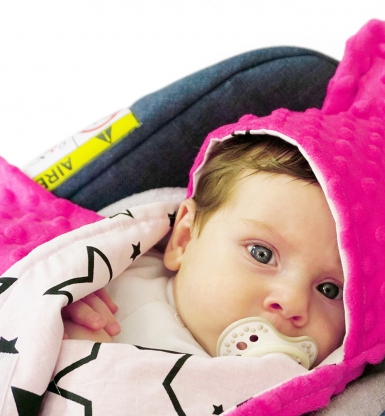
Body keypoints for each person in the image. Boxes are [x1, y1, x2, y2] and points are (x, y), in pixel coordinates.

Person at [62, 134, 346, 367]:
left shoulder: (300, 396)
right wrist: (57, 310)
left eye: (329, 290)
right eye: (262, 253)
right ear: (184, 238)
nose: (294, 303)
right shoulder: (112, 276)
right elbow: (44, 262)